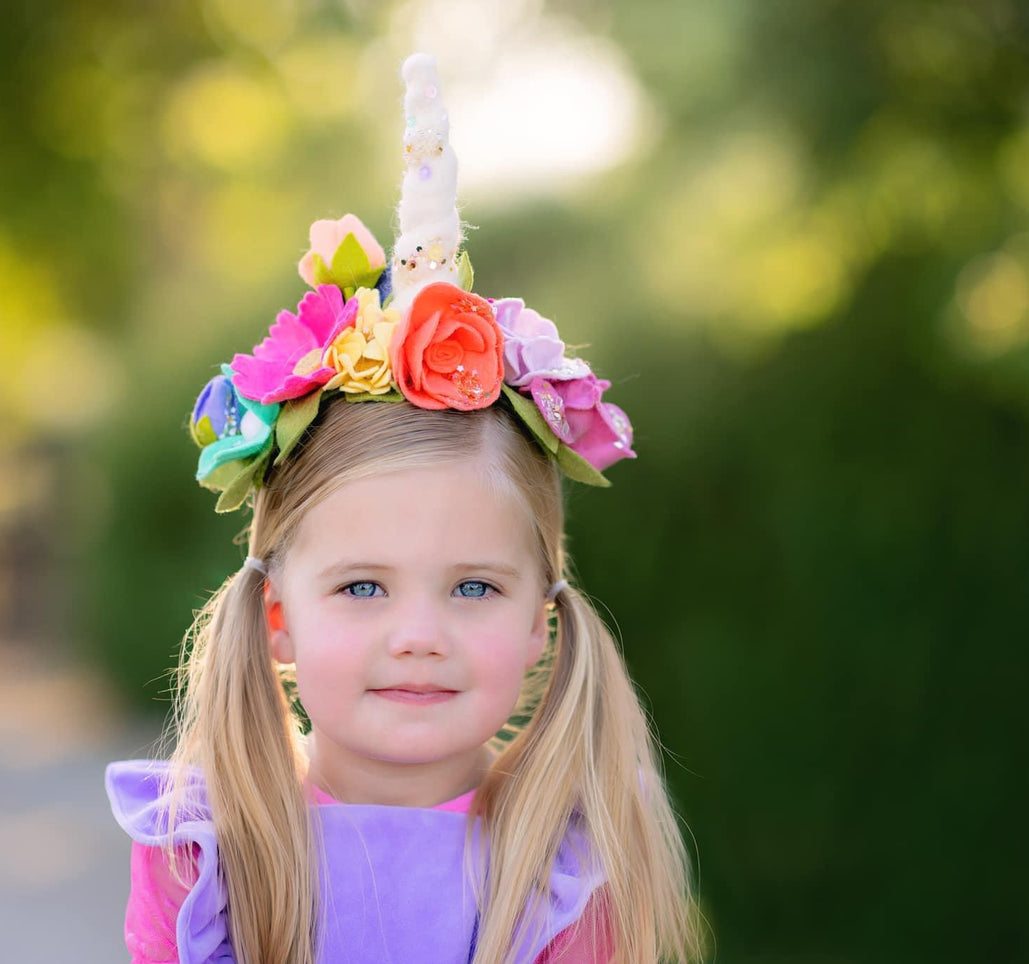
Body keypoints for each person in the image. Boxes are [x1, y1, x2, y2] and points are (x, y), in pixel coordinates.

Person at [105, 52, 701, 964]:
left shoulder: (564, 867)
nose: (419, 633)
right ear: (278, 617)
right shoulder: (206, 858)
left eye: (471, 589)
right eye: (361, 588)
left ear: (541, 623)